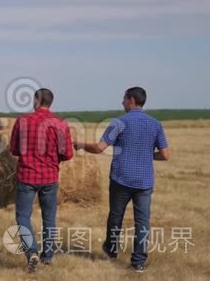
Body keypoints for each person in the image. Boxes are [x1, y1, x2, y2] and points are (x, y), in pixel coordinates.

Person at [73, 86, 170, 273]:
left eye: (124, 99)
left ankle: (111, 249)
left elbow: (99, 148)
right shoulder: (156, 124)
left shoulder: (119, 123)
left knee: (116, 216)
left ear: (131, 100)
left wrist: (80, 144)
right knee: (142, 222)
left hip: (121, 178)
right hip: (144, 181)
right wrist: (147, 155)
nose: (122, 102)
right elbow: (165, 155)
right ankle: (139, 262)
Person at [10, 88, 74, 273]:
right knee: (49, 217)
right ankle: (48, 256)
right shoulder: (60, 124)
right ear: (50, 102)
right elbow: (67, 153)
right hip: (50, 177)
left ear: (36, 101)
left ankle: (32, 253)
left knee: (22, 216)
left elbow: (14, 150)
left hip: (27, 176)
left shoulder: (22, 121)